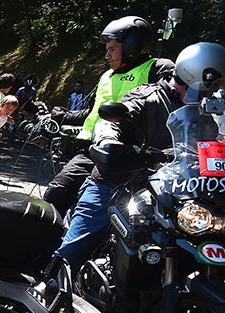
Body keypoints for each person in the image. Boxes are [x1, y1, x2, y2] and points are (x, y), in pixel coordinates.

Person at [53, 42, 225, 277]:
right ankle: (51, 288)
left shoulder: (203, 115)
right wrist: (109, 143)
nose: (213, 92)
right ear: (194, 75)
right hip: (117, 185)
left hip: (169, 196)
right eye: (211, 86)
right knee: (74, 250)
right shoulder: (147, 96)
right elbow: (110, 121)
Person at [42, 16, 174, 216]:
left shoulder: (158, 69)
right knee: (56, 194)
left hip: (132, 156)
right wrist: (64, 115)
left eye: (112, 49)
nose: (106, 55)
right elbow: (93, 112)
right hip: (92, 150)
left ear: (132, 46)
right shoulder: (107, 76)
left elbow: (178, 104)